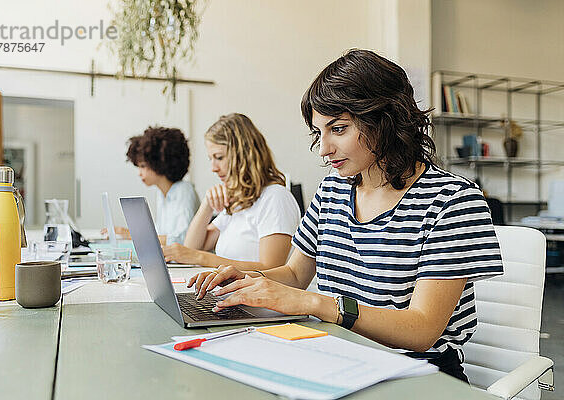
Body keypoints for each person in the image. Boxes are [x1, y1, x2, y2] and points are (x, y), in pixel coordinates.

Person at [188, 50, 504, 382]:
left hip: (416, 375)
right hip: (334, 356)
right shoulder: (332, 191)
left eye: (338, 129)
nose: (324, 149)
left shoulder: (452, 200)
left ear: (385, 119)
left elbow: (421, 329)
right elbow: (296, 274)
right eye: (318, 133)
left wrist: (315, 304)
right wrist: (247, 279)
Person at [162, 113, 301, 270]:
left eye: (219, 157)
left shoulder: (275, 198)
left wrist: (200, 258)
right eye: (211, 159)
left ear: (244, 155)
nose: (213, 168)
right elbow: (192, 247)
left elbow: (271, 269)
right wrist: (207, 205)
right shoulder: (240, 201)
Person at [109, 126, 199, 245]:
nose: (139, 173)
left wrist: (131, 235)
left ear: (159, 163)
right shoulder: (162, 193)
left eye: (143, 166)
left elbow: (181, 240)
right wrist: (128, 233)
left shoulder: (184, 191)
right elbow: (159, 234)